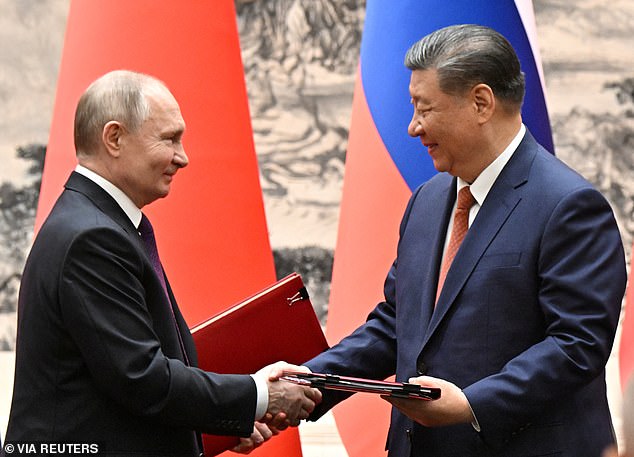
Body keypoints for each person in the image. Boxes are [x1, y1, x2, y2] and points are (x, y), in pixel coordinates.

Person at [294, 24, 626, 456]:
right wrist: (306, 383)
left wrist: (472, 405)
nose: (413, 127)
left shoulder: (570, 206)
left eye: (424, 108)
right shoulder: (428, 201)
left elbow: (576, 345)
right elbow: (399, 322)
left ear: (481, 102)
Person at [3, 70, 321, 457]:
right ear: (114, 138)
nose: (182, 158)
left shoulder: (101, 222)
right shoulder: (93, 237)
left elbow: (122, 380)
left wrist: (220, 419)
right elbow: (141, 378)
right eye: (169, 139)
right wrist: (258, 396)